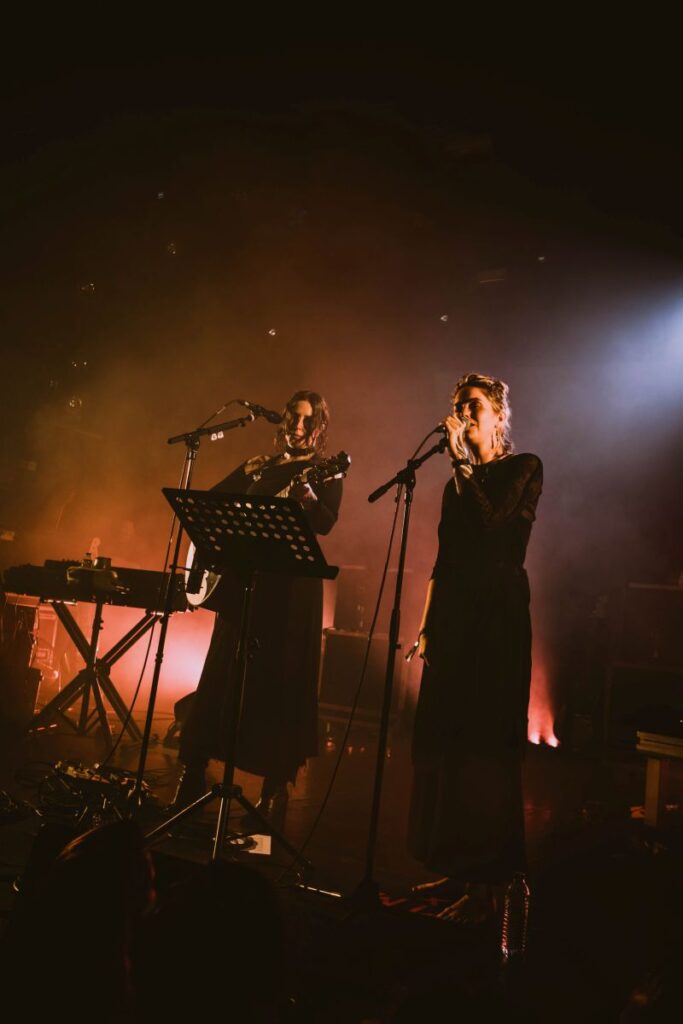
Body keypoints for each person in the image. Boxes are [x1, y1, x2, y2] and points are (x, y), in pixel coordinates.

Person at [408, 372, 543, 922]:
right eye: (459, 406)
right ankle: (463, 869)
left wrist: (463, 462)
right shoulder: (450, 484)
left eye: (475, 406)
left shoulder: (524, 467)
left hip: (498, 620)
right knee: (450, 743)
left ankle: (492, 884)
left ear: (498, 415)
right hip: (456, 619)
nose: (465, 414)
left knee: (486, 747)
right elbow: (443, 560)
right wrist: (425, 625)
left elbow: (493, 532)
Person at [174, 390, 343, 829]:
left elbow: (325, 522)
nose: (298, 427)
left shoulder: (324, 473)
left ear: (320, 428)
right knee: (222, 676)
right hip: (246, 586)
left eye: (308, 421)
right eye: (292, 418)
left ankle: (274, 791)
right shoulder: (261, 465)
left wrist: (306, 494)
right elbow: (209, 506)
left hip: (290, 592)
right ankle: (192, 775)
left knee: (279, 682)